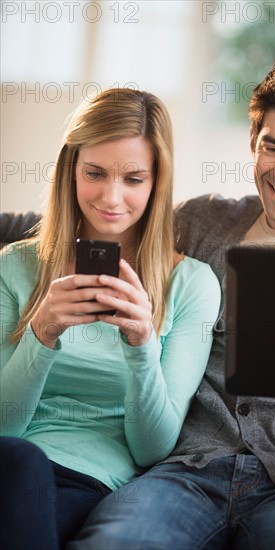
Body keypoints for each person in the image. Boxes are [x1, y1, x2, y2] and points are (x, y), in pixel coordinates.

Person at [67, 54, 275, 550]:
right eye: (274, 147)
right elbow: (98, 222)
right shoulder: (200, 224)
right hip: (185, 473)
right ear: (253, 142)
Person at [0, 88, 221, 549]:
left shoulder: (191, 284)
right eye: (94, 173)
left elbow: (152, 449)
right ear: (70, 172)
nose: (111, 197)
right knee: (16, 458)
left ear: (158, 182)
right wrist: (41, 334)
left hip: (84, 481)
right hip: (7, 459)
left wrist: (142, 345)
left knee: (21, 466)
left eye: (134, 179)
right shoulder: (14, 266)